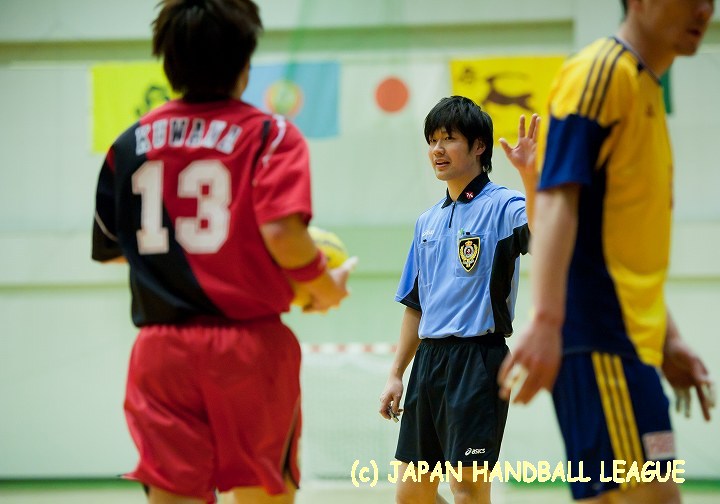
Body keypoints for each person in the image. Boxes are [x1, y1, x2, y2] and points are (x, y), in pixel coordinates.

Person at [91, 1, 355, 503]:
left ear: (167, 62)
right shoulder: (271, 134)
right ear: (245, 64)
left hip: (160, 353)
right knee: (262, 492)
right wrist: (322, 288)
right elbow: (283, 235)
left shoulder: (127, 145)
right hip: (249, 348)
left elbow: (114, 250)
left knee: (174, 495)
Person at [498, 0, 716, 502]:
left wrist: (668, 339)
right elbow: (557, 201)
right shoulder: (601, 73)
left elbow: (622, 248)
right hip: (599, 340)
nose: (704, 10)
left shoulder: (644, 90)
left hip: (631, 348)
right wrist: (547, 319)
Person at [378, 95, 539, 504]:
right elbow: (415, 305)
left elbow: (545, 229)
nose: (437, 149)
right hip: (429, 363)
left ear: (479, 146)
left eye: (448, 138)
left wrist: (530, 175)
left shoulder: (503, 205)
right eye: (432, 140)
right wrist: (396, 373)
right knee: (411, 493)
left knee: (467, 489)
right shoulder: (427, 222)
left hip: (478, 362)